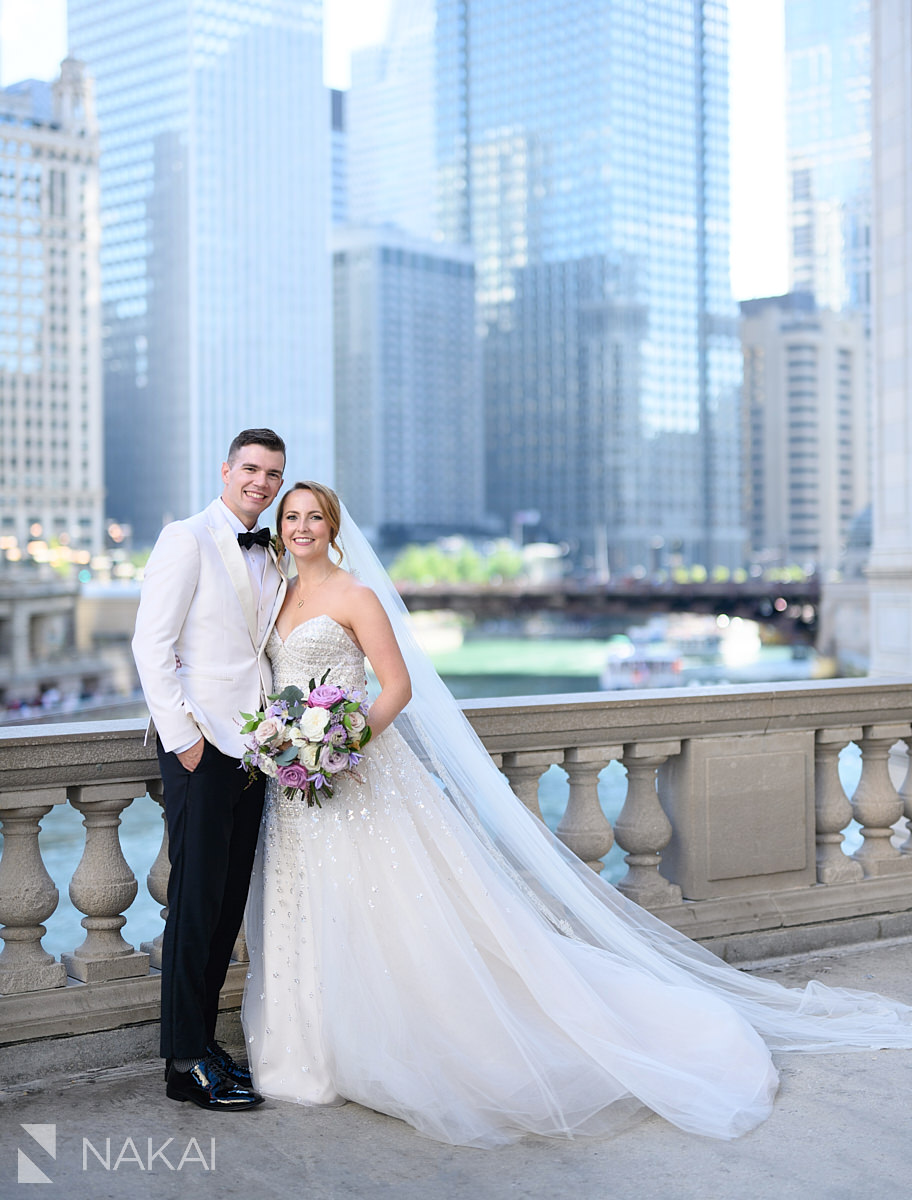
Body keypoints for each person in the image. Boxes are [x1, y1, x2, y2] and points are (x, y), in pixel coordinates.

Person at [242, 482, 912, 1147]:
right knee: (314, 906)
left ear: (334, 527)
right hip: (295, 791)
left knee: (391, 910)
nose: (302, 527)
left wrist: (343, 745)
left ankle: (405, 1043)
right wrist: (286, 745)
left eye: (315, 517)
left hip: (355, 778)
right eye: (291, 517)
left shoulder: (355, 595)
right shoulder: (277, 594)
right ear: (281, 529)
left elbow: (399, 687)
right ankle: (309, 1050)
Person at [133, 428, 287, 1110]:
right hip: (202, 750)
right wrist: (186, 743)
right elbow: (150, 644)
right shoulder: (185, 538)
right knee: (194, 907)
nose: (261, 481)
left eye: (273, 473)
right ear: (226, 470)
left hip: (254, 750)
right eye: (250, 468)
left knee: (226, 907)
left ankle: (205, 1041)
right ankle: (184, 1061)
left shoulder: (272, 551)